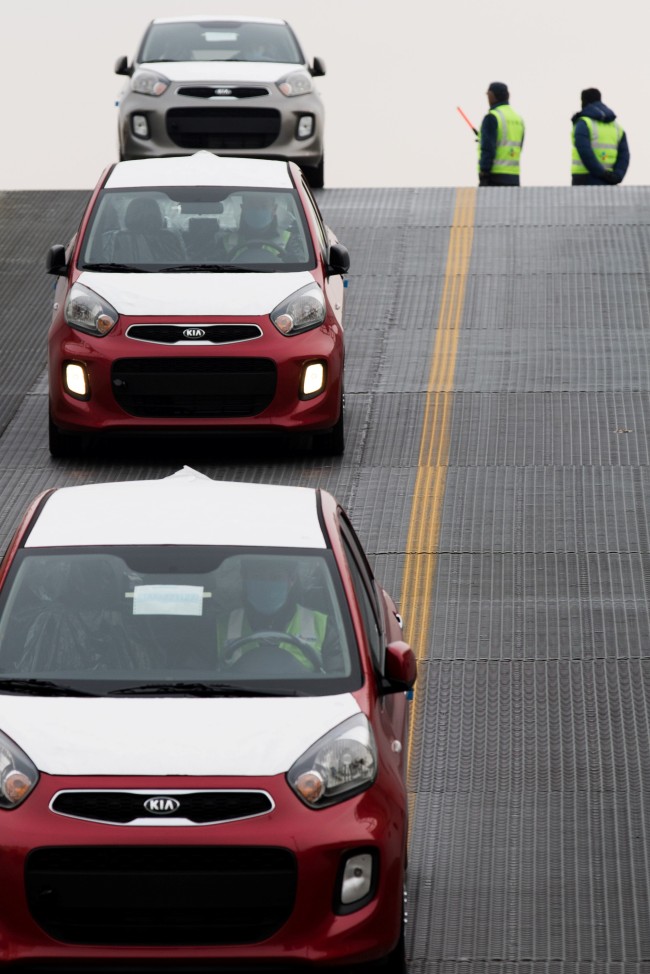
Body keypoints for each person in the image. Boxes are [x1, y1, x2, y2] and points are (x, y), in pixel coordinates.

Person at [217, 557, 342, 674]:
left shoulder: (323, 626)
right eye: (257, 576)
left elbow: (338, 679)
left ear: (291, 579)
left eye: (275, 577)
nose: (265, 585)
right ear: (244, 578)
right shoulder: (221, 626)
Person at [571, 88, 629, 186]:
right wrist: (617, 175)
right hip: (610, 180)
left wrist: (601, 173)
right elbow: (624, 156)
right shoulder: (616, 127)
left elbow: (585, 152)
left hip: (584, 178)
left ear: (583, 101)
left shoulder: (584, 123)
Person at [220, 193, 302, 262]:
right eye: (252, 206)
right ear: (243, 208)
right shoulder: (226, 242)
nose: (258, 210)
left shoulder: (292, 241)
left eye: (263, 206)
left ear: (274, 209)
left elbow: (301, 272)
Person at [478, 82, 525, 187]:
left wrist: (484, 172)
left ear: (492, 95)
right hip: (514, 176)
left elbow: (488, 148)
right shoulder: (518, 119)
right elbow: (519, 146)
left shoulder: (492, 117)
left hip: (494, 176)